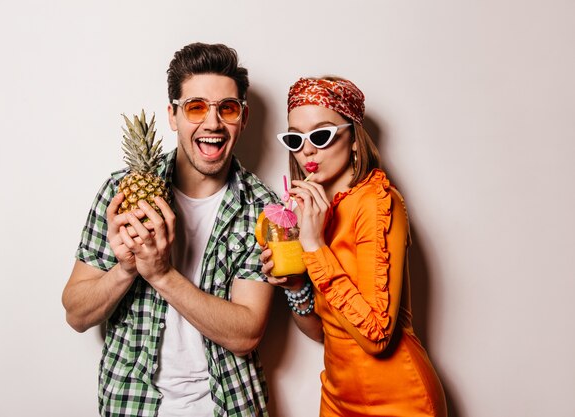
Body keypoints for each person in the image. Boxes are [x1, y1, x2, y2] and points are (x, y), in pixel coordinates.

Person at [62, 42, 278, 417]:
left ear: (243, 118)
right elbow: (76, 314)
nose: (212, 123)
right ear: (173, 116)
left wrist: (161, 274)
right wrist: (127, 268)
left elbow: (246, 333)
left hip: (229, 405)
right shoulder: (121, 194)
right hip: (132, 404)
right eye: (196, 107)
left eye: (226, 108)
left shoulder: (262, 208)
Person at [262, 76, 447, 416]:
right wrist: (296, 286)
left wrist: (315, 246)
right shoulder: (313, 212)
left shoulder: (377, 203)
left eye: (321, 135)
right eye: (295, 138)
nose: (307, 150)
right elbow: (325, 332)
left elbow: (376, 336)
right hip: (337, 398)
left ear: (354, 141)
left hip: (400, 401)